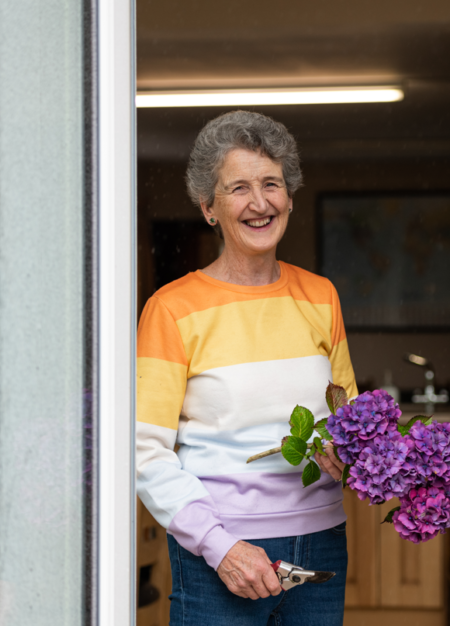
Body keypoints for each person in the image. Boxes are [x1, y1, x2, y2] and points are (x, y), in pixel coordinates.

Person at [135, 110, 357, 626]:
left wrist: (355, 460)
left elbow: (348, 417)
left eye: (271, 184)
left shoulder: (321, 296)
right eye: (238, 188)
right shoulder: (172, 308)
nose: (260, 203)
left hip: (322, 545)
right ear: (208, 207)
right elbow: (145, 451)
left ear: (290, 196)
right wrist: (219, 546)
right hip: (221, 551)